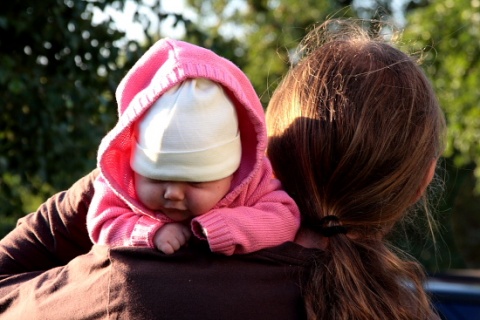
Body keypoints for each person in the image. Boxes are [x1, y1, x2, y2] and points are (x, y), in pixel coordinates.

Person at [0, 19, 444, 320]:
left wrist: (118, 179)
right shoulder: (401, 308)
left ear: (263, 149)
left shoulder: (131, 283)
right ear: (423, 179)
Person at [86, 38, 300, 255]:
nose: (173, 194)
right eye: (156, 179)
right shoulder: (122, 184)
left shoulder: (251, 184)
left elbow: (285, 218)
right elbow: (104, 223)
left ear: (232, 171)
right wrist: (151, 233)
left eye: (196, 182)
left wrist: (228, 226)